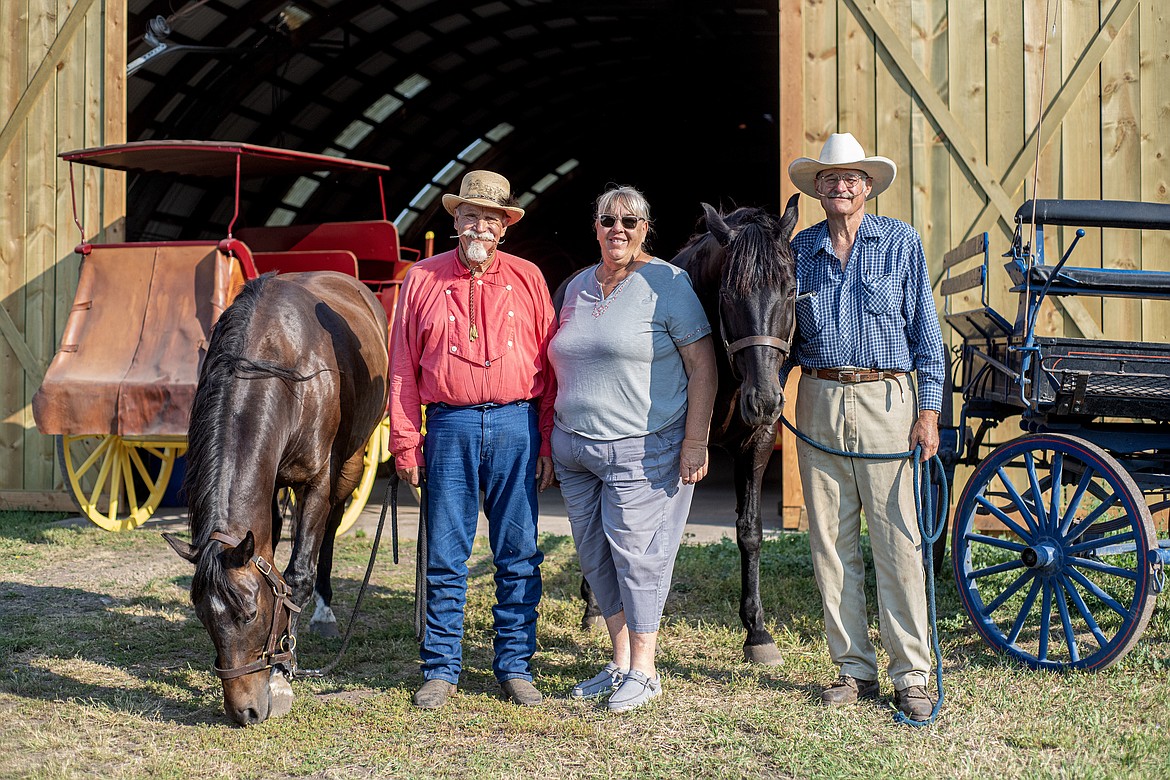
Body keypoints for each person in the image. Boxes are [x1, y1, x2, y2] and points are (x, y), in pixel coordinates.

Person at [784, 132, 945, 721]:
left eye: (851, 177)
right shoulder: (800, 250)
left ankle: (913, 672)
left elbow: (928, 337)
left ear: (867, 186)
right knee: (830, 542)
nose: (841, 186)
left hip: (887, 399)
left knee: (898, 540)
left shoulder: (898, 241)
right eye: (830, 178)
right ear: (818, 189)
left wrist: (928, 412)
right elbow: (781, 335)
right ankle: (852, 668)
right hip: (820, 396)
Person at [388, 170, 557, 709]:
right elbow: (402, 368)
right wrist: (406, 442)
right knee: (445, 552)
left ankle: (514, 665)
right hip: (450, 425)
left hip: (516, 424)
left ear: (505, 226)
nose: (479, 225)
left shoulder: (529, 277)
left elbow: (552, 368)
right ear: (455, 220)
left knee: (518, 553)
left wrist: (547, 441)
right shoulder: (421, 279)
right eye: (469, 214)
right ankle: (440, 668)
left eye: (490, 217)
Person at [547, 185, 717, 714]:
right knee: (596, 557)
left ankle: (645, 670)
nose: (617, 228)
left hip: (643, 445)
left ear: (646, 229)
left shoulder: (668, 283)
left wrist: (695, 440)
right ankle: (620, 662)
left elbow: (703, 368)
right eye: (607, 219)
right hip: (575, 446)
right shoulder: (576, 286)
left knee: (638, 557)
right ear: (595, 228)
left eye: (630, 220)